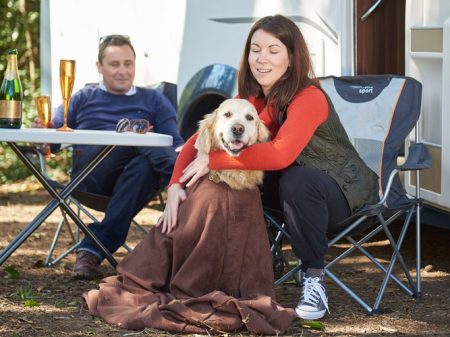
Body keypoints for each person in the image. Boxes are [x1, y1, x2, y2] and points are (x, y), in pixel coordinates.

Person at [163, 15, 379, 321]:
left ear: (291, 58)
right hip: (294, 195)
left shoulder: (310, 97)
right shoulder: (249, 101)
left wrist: (214, 160)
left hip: (341, 191)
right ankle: (222, 268)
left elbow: (280, 155)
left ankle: (314, 278)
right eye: (256, 49)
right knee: (230, 179)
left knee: (296, 178)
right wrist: (175, 185)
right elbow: (200, 137)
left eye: (273, 50)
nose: (261, 58)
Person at [34, 34, 184, 280]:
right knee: (132, 136)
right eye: (115, 64)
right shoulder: (82, 97)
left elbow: (175, 145)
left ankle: (91, 249)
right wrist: (42, 135)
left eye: (128, 64)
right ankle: (185, 185)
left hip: (136, 184)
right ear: (99, 67)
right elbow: (53, 139)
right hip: (90, 178)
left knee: (143, 164)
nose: (123, 71)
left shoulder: (154, 99)